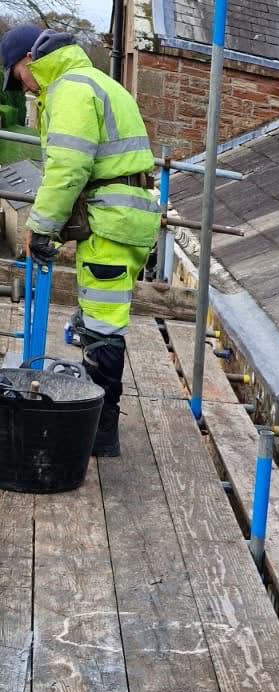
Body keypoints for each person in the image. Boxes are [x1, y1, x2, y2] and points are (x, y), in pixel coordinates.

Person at [0, 24, 160, 456]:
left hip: (112, 223)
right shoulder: (94, 81)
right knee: (94, 321)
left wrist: (40, 225)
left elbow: (68, 167)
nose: (23, 86)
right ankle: (94, 420)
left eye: (18, 75)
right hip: (121, 219)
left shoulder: (70, 89)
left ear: (30, 59)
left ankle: (100, 432)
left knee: (103, 326)